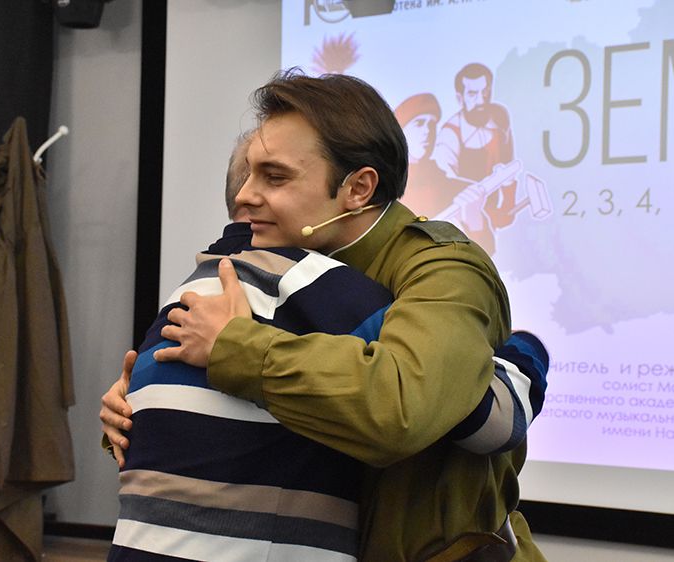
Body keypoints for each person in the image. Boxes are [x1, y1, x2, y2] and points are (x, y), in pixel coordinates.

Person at [102, 71, 546, 561]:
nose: (244, 195)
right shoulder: (286, 268)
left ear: (358, 188)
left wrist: (233, 347)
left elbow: (401, 408)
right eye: (248, 174)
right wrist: (145, 403)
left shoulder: (442, 268)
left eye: (275, 177)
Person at [395, 93, 496, 254]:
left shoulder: (458, 188)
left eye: (432, 124)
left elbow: (488, 251)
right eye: (419, 123)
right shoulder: (382, 191)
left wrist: (474, 219)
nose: (428, 131)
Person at [433, 63, 518, 234]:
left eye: (485, 92)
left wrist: (507, 203)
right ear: (460, 98)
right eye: (472, 94)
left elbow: (508, 165)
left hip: (497, 222)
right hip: (466, 227)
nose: (481, 100)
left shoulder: (500, 117)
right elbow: (446, 193)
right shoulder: (449, 136)